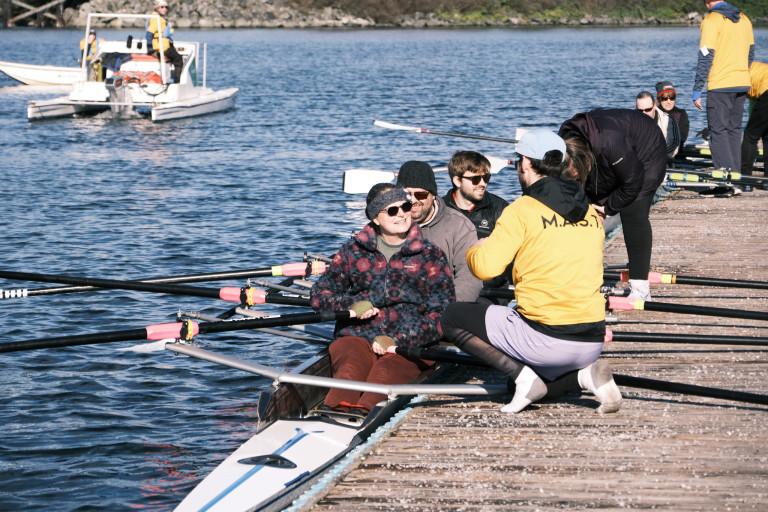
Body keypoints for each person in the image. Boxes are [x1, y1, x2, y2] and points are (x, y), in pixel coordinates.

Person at [439, 129, 621, 414]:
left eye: (516, 162)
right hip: (592, 339)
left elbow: (485, 269)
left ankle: (526, 378)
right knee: (516, 386)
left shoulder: (521, 209)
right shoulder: (588, 211)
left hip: (547, 340)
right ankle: (584, 376)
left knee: (451, 316)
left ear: (525, 163)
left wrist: (476, 247)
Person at [310, 184, 455, 415]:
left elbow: (443, 314)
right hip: (357, 337)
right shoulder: (352, 251)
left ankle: (365, 414)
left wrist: (399, 338)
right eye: (392, 210)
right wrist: (350, 306)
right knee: (349, 368)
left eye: (405, 206)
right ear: (375, 218)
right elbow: (319, 296)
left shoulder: (430, 255)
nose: (402, 214)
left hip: (409, 342)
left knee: (384, 372)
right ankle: (333, 410)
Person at [559, 109, 667, 301]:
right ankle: (576, 278)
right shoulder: (563, 147)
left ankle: (641, 288)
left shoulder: (609, 142)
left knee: (633, 211)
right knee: (581, 210)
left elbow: (633, 181)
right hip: (609, 157)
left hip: (647, 149)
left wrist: (608, 208)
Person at [395, 161, 483, 302]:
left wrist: (441, 307)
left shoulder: (460, 227)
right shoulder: (386, 222)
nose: (412, 200)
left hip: (441, 307)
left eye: (421, 194)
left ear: (433, 195)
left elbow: (469, 279)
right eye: (406, 194)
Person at [692, 0, 754, 172]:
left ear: (707, 3)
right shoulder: (744, 19)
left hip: (720, 85)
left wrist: (697, 89)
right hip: (742, 82)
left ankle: (726, 179)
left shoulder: (711, 21)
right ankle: (736, 176)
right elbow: (750, 53)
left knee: (718, 132)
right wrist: (741, 73)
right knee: (734, 131)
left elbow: (705, 56)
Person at [443, 151, 509, 239]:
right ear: (457, 181)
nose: (483, 183)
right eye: (476, 179)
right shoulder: (439, 209)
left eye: (486, 178)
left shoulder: (500, 209)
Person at [145, 0, 184, 84]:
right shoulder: (157, 19)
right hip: (161, 47)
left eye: (166, 7)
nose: (165, 9)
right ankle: (176, 83)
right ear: (157, 8)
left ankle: (170, 77)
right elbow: (149, 34)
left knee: (174, 54)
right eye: (162, 7)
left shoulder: (158, 17)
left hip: (163, 45)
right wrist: (150, 49)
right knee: (179, 59)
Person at [741, 61, 768, 175]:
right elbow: (754, 105)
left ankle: (746, 180)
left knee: (750, 136)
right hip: (764, 91)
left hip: (766, 92)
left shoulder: (734, 75)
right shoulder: (753, 67)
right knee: (767, 137)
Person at [636, 91, 681, 158]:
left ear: (654, 106)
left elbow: (674, 146)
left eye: (648, 110)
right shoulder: (630, 120)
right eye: (640, 111)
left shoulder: (669, 121)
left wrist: (654, 155)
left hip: (662, 161)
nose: (644, 113)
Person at [655, 81, 690, 158]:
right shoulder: (653, 113)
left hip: (676, 154)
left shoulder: (681, 114)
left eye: (672, 98)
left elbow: (681, 138)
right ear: (659, 99)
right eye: (664, 98)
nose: (669, 101)